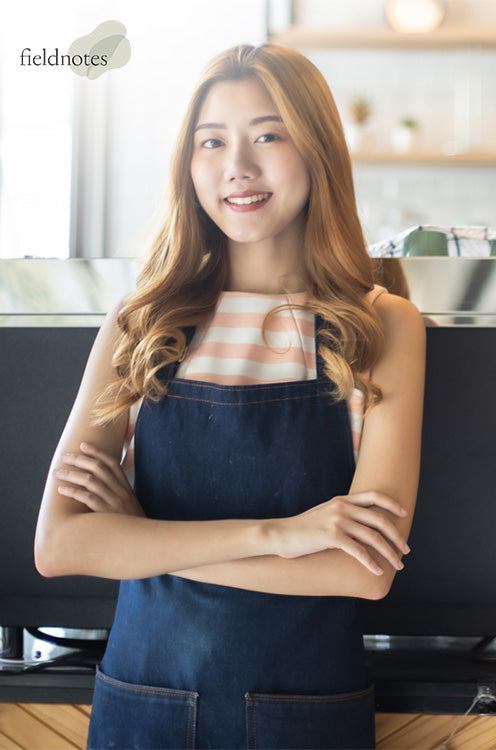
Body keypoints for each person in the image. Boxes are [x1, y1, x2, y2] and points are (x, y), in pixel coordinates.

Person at [34, 43, 425, 749]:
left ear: (318, 151)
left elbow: (363, 571)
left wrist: (143, 537)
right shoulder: (141, 321)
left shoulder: (380, 324)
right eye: (211, 141)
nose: (237, 167)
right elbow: (61, 543)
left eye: (267, 136)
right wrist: (282, 536)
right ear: (188, 165)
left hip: (305, 720)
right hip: (141, 711)